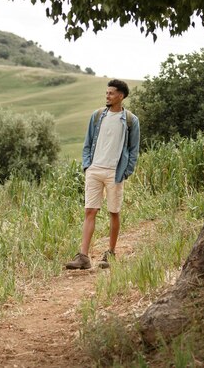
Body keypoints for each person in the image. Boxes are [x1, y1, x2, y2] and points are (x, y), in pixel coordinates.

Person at [65, 79, 140, 270]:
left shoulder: (131, 120)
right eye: (106, 93)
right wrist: (87, 166)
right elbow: (88, 142)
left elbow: (133, 149)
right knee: (90, 211)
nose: (107, 96)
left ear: (121, 96)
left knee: (113, 212)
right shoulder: (97, 116)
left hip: (115, 172)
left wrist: (126, 171)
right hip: (95, 170)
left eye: (111, 93)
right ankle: (83, 257)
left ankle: (110, 254)